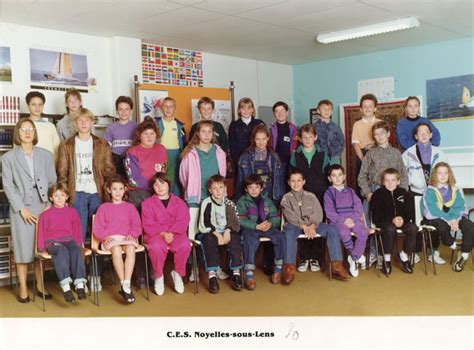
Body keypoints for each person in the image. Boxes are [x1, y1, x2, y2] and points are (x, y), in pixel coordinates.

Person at [57, 107, 115, 291]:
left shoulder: (102, 144)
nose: (83, 123)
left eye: (87, 120)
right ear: (75, 123)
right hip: (77, 195)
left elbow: (109, 169)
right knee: (78, 238)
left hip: (96, 194)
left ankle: (95, 275)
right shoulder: (67, 145)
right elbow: (62, 174)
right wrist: (66, 196)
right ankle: (80, 278)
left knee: (98, 236)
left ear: (92, 122)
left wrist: (108, 192)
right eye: (80, 120)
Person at [1, 118, 57, 303]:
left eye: (30, 129)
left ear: (34, 132)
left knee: (40, 248)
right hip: (21, 208)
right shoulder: (7, 157)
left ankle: (40, 285)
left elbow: (52, 181)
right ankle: (24, 287)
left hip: (43, 206)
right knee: (23, 249)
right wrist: (22, 209)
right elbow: (8, 186)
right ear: (18, 133)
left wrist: (50, 203)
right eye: (23, 129)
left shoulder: (46, 155)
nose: (27, 132)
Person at [281, 169, 351, 284]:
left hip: (313, 224)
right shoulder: (286, 198)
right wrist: (303, 226)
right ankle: (289, 269)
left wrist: (313, 225)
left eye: (299, 180)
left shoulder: (311, 196)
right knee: (288, 233)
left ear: (304, 182)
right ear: (288, 183)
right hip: (295, 226)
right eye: (292, 181)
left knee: (332, 229)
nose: (296, 183)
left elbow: (318, 213)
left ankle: (337, 266)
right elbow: (289, 215)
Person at [93, 175, 142, 303]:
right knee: (116, 249)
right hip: (111, 239)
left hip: (127, 237)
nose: (118, 192)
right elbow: (98, 227)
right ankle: (123, 283)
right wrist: (105, 237)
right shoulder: (104, 208)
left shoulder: (130, 207)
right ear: (109, 190)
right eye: (115, 189)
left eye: (121, 189)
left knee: (131, 248)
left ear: (125, 189)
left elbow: (137, 225)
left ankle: (126, 284)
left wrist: (132, 234)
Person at [141, 173, 191, 296]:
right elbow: (148, 223)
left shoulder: (179, 202)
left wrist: (172, 232)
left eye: (162, 183)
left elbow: (183, 220)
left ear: (169, 184)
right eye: (156, 184)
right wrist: (163, 233)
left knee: (185, 245)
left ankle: (178, 273)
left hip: (176, 233)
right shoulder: (147, 203)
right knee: (157, 247)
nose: (159, 187)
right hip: (156, 234)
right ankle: (158, 275)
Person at [289, 123, 330, 273]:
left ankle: (315, 257)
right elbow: (292, 175)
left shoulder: (322, 154)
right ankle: (305, 256)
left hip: (319, 193)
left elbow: (328, 175)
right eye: (304, 137)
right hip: (301, 194)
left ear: (315, 138)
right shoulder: (296, 155)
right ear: (300, 139)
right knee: (303, 223)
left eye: (310, 137)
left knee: (315, 224)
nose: (307, 140)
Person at [37, 183, 86, 302]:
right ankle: (66, 287)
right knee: (62, 251)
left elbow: (77, 230)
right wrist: (41, 247)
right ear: (51, 198)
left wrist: (78, 244)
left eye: (62, 195)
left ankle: (79, 285)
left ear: (67, 197)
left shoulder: (72, 212)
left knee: (76, 250)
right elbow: (41, 231)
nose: (59, 198)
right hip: (53, 242)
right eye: (56, 196)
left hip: (69, 240)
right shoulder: (45, 214)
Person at [422, 162, 474, 271]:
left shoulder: (455, 190)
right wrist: (449, 220)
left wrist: (455, 219)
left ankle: (464, 254)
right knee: (442, 226)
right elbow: (433, 210)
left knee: (470, 225)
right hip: (436, 219)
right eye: (439, 173)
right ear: (434, 175)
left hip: (454, 218)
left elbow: (461, 207)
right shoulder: (430, 190)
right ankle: (454, 245)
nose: (443, 176)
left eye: (446, 173)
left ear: (449, 175)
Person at [236, 174, 285, 290]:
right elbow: (240, 219)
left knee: (280, 237)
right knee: (249, 241)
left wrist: (270, 224)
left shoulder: (267, 200)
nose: (254, 190)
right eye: (250, 187)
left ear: (261, 188)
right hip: (251, 229)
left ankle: (278, 269)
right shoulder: (242, 201)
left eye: (257, 187)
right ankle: (249, 275)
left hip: (266, 227)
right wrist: (255, 226)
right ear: (246, 189)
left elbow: (275, 216)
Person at [198, 175, 242, 293]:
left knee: (236, 240)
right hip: (211, 231)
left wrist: (227, 231)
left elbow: (234, 221)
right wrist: (217, 234)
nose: (218, 191)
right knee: (208, 240)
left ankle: (236, 274)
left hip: (226, 230)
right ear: (210, 190)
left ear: (225, 189)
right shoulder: (206, 203)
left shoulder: (229, 203)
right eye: (214, 188)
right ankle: (212, 276)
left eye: (221, 187)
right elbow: (205, 222)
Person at [324, 165, 369, 277]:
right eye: (334, 176)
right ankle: (357, 256)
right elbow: (329, 212)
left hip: (353, 219)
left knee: (363, 232)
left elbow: (358, 207)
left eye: (340, 175)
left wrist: (352, 219)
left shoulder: (350, 191)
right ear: (329, 179)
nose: (337, 178)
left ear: (344, 177)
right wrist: (344, 220)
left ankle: (353, 257)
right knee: (344, 233)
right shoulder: (328, 193)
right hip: (338, 221)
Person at [370, 168, 417, 275]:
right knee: (390, 229)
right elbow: (376, 215)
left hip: (402, 221)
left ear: (398, 181)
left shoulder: (404, 193)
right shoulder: (378, 194)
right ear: (383, 182)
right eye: (387, 180)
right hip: (385, 222)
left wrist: (402, 219)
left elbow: (410, 211)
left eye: (393, 180)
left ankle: (403, 255)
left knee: (413, 228)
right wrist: (392, 219)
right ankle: (386, 259)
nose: (390, 183)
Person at [179, 120, 226, 207]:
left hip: (215, 196)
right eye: (203, 132)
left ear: (213, 134)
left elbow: (222, 175)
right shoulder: (190, 154)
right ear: (198, 133)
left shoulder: (219, 152)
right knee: (194, 220)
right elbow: (183, 177)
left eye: (209, 132)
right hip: (195, 197)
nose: (206, 135)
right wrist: (191, 187)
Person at [124, 117, 167, 210]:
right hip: (139, 193)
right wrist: (154, 187)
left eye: (152, 133)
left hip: (158, 191)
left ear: (156, 135)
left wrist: (160, 189)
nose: (149, 137)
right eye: (146, 134)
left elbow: (163, 172)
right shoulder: (132, 151)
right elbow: (133, 180)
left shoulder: (161, 149)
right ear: (140, 135)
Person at [236, 124, 285, 203]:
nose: (261, 142)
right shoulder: (245, 157)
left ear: (268, 138)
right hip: (252, 193)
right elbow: (240, 182)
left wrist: (280, 199)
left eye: (263, 139)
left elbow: (279, 181)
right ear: (254, 139)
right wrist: (240, 201)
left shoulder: (274, 157)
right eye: (258, 139)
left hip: (270, 194)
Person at [402, 123, 446, 196]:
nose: (424, 135)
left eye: (426, 132)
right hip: (415, 192)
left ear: (431, 135)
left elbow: (446, 173)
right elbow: (402, 174)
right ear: (416, 136)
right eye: (420, 133)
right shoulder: (407, 154)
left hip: (436, 191)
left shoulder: (440, 153)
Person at [154, 97, 186, 195]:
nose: (168, 109)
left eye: (171, 106)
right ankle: (163, 197)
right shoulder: (156, 123)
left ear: (174, 108)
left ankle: (175, 198)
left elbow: (184, 142)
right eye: (165, 106)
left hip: (175, 154)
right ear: (161, 108)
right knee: (162, 177)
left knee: (176, 178)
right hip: (161, 154)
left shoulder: (179, 125)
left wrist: (182, 154)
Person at [351, 94, 382, 186]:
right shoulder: (357, 124)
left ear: (375, 108)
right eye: (365, 106)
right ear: (361, 109)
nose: (367, 108)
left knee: (378, 179)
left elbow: (383, 140)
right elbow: (356, 144)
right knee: (362, 180)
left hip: (378, 153)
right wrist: (362, 159)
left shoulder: (380, 122)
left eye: (370, 106)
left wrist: (374, 146)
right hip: (363, 153)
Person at [104, 96, 137, 177]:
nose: (124, 112)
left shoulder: (136, 127)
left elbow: (138, 144)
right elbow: (106, 146)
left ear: (131, 111)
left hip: (131, 158)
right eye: (120, 109)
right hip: (115, 159)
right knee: (117, 182)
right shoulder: (110, 127)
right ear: (117, 111)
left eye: (126, 109)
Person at [228, 97, 265, 168]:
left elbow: (264, 142)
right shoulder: (234, 125)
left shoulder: (259, 123)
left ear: (252, 110)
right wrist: (237, 161)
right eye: (243, 108)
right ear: (239, 110)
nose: (246, 111)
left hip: (257, 160)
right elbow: (232, 145)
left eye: (249, 108)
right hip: (239, 161)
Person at [25, 91, 60, 160]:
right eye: (33, 104)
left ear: (43, 106)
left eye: (40, 104)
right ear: (28, 106)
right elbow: (17, 150)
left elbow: (57, 150)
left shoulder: (50, 126)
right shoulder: (22, 125)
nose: (37, 107)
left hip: (48, 166)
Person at [269, 101, 298, 176]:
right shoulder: (270, 129)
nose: (280, 113)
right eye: (277, 111)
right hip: (275, 163)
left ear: (287, 112)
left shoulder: (295, 129)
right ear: (274, 114)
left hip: (291, 163)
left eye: (282, 110)